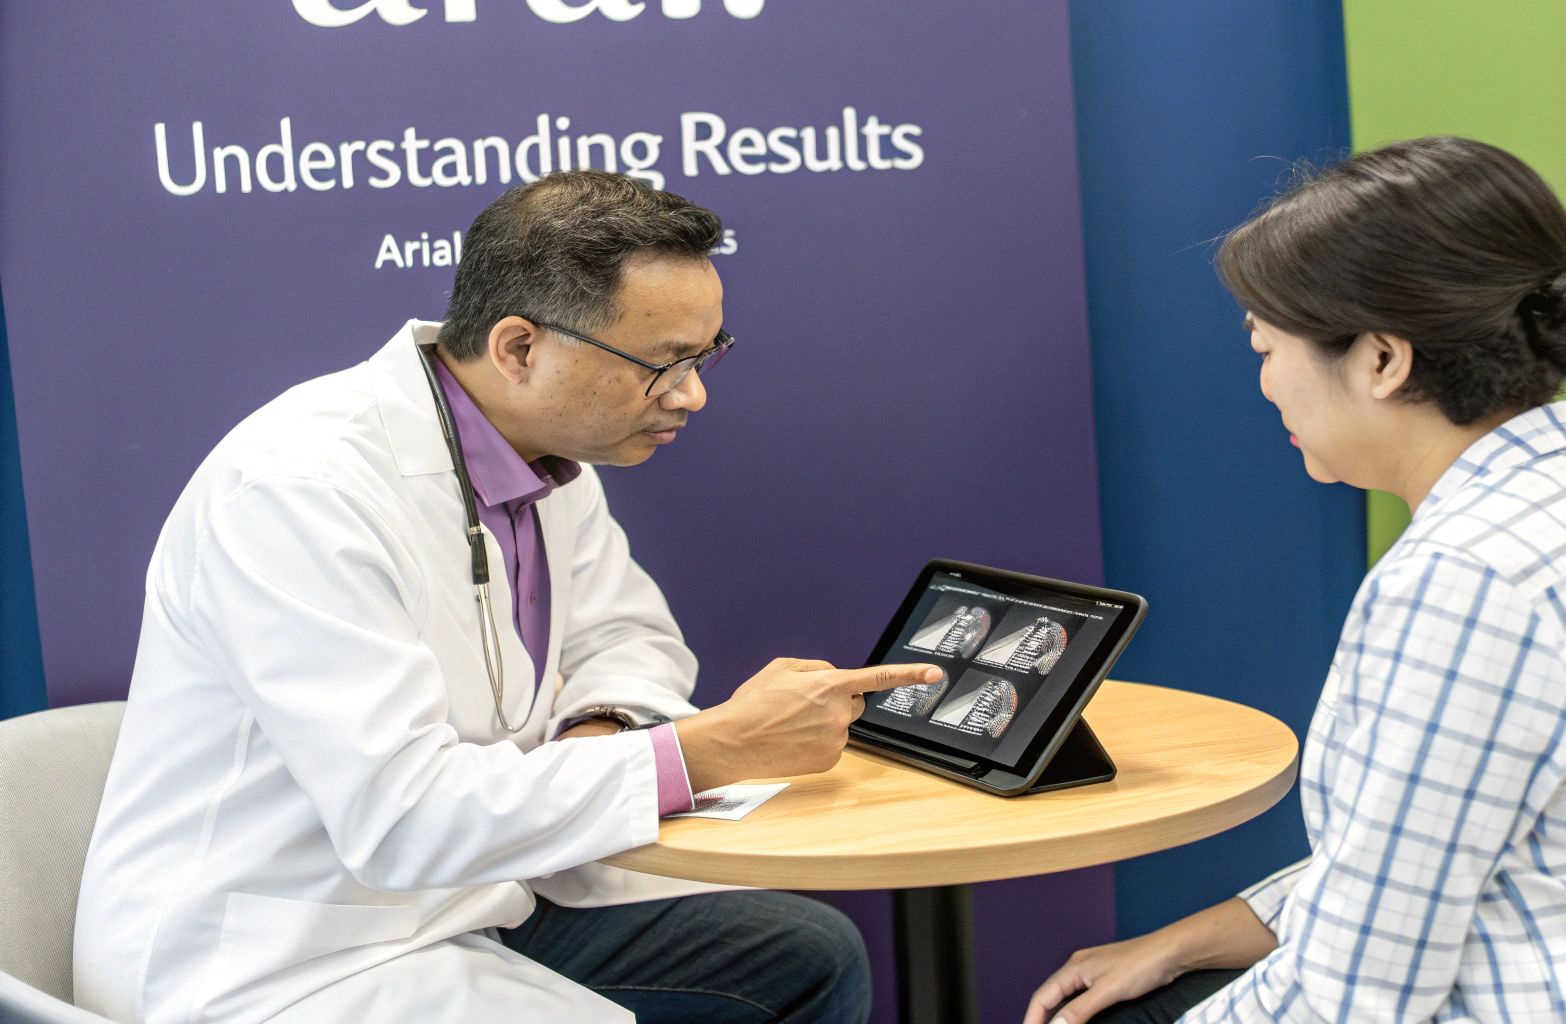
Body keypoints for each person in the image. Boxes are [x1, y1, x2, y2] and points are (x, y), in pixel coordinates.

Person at [73, 170, 941, 1023]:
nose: (693, 394)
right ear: (521, 347)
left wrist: (597, 739)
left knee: (804, 957)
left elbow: (628, 638)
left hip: (460, 898)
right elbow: (403, 818)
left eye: (707, 354)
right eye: (664, 363)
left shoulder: (549, 454)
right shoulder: (298, 490)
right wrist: (704, 751)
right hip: (281, 954)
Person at [1025, 137, 1566, 1023]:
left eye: (1266, 348)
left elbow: (1356, 997)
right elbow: (1432, 851)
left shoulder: (1465, 583)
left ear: (1380, 360)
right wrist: (1203, 934)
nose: (1266, 385)